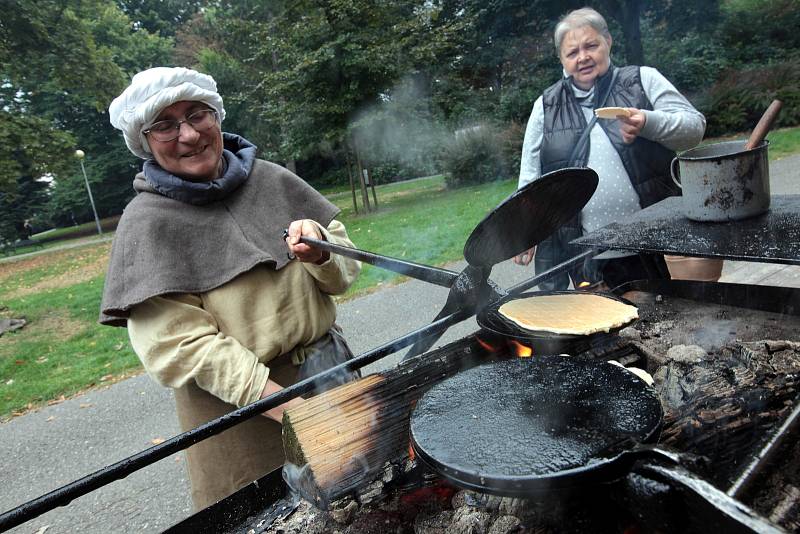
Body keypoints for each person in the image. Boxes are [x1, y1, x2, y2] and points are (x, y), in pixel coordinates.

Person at [100, 67, 361, 510]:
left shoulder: (274, 180)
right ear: (144, 141)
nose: (188, 134)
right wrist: (293, 411)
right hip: (238, 416)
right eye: (164, 125)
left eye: (197, 114)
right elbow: (182, 346)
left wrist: (320, 252)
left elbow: (346, 268)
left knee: (372, 495)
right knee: (273, 516)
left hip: (329, 374)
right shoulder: (146, 224)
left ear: (216, 116)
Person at [514, 7, 708, 290]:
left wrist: (648, 122)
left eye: (591, 45)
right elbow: (531, 178)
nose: (583, 57)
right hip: (587, 252)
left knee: (668, 316)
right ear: (561, 59)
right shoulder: (545, 106)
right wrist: (525, 229)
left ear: (608, 41)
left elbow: (694, 129)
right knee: (603, 327)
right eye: (572, 52)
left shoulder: (642, 80)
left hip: (655, 243)